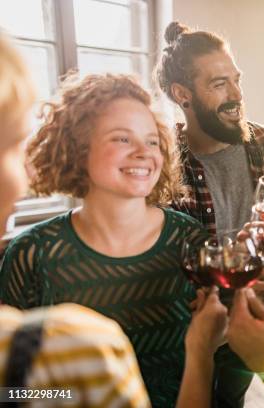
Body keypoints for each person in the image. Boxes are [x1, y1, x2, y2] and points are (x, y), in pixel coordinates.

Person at [0, 32, 229, 408]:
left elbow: (213, 339)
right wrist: (82, 389)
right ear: (78, 149)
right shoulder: (32, 254)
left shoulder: (190, 239)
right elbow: (11, 389)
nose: (143, 152)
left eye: (152, 140)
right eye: (122, 139)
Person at [154, 21, 264, 408]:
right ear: (183, 95)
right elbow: (160, 256)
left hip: (248, 322)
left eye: (236, 79)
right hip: (187, 331)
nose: (237, 95)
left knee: (231, 401)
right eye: (219, 84)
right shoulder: (163, 163)